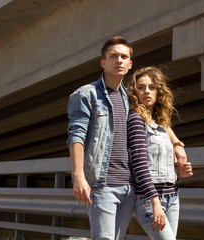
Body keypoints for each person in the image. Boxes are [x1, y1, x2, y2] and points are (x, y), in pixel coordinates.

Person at [67, 37, 187, 240]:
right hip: (103, 185)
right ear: (103, 62)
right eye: (113, 56)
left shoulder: (130, 99)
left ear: (130, 64)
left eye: (124, 57)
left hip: (130, 187)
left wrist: (177, 143)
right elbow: (76, 136)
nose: (119, 60)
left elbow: (157, 119)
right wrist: (78, 175)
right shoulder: (86, 95)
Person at [127, 66, 193, 240]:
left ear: (158, 91)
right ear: (134, 92)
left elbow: (157, 163)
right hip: (150, 200)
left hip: (172, 197)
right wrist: (155, 203)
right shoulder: (135, 119)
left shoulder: (160, 123)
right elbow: (139, 164)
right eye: (141, 87)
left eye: (151, 87)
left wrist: (178, 173)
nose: (146, 91)